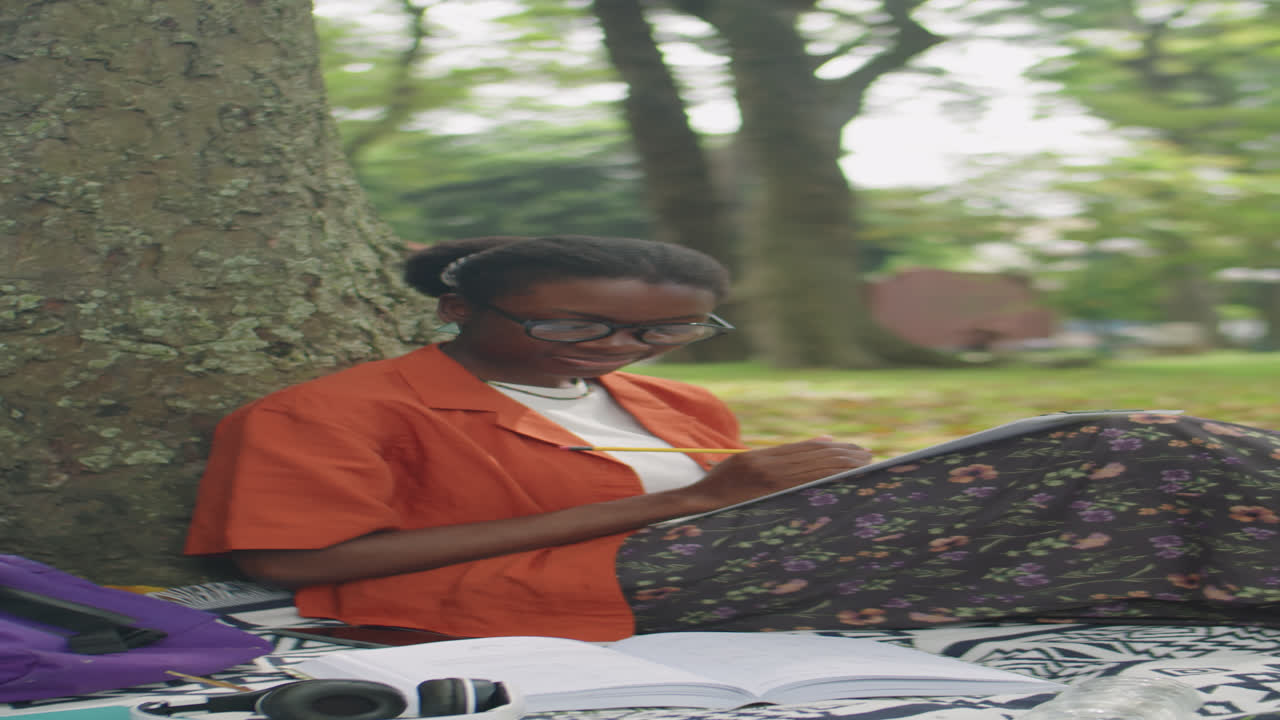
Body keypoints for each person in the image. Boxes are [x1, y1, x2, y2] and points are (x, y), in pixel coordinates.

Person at [185, 235, 1280, 641]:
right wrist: (688, 503)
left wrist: (803, 485)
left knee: (1124, 489)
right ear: (456, 311)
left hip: (716, 554)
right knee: (1135, 447)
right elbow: (287, 564)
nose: (616, 349)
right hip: (548, 592)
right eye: (573, 325)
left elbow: (732, 508)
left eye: (660, 332)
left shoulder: (678, 405)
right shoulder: (330, 412)